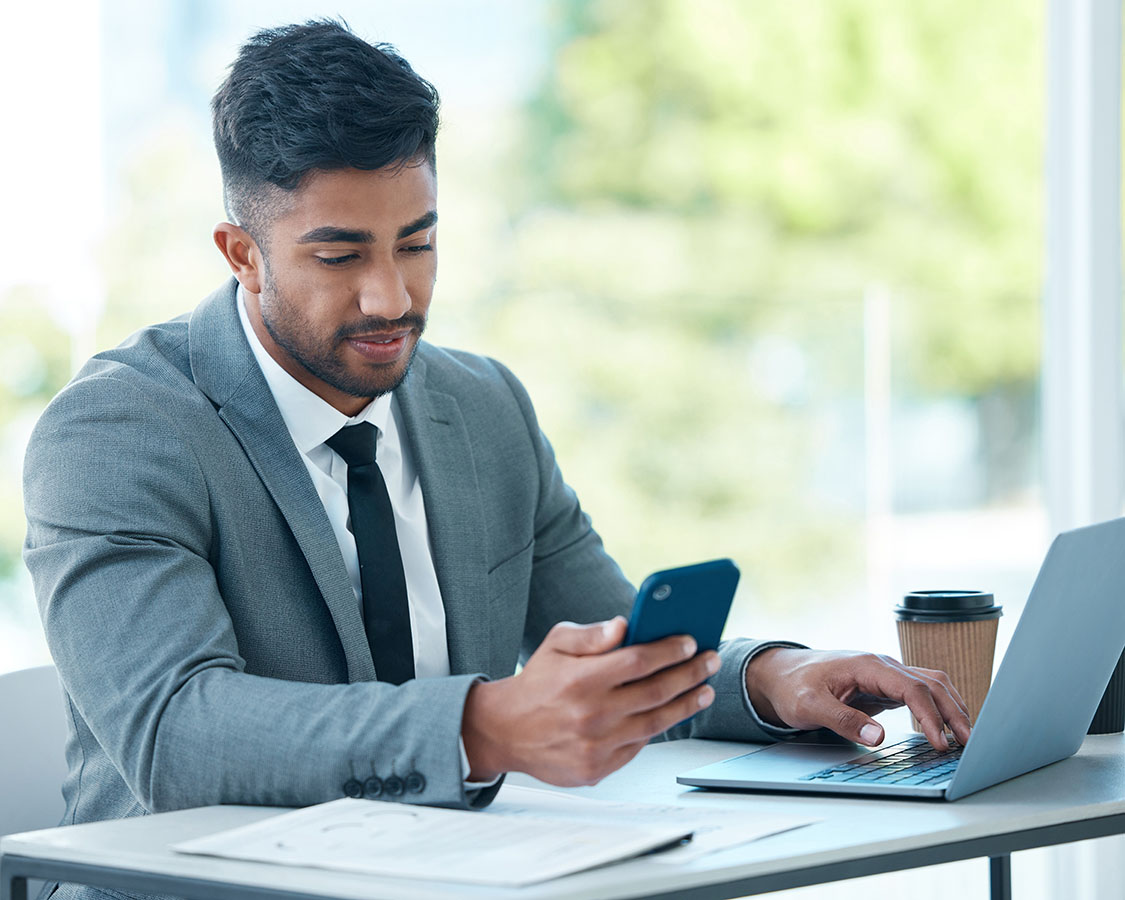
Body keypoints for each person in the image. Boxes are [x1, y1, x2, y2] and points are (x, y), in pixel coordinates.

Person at [23, 19, 970, 892]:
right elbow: (173, 737)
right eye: (340, 256)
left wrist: (770, 678)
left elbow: (616, 647)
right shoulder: (117, 432)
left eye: (418, 242)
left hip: (451, 876)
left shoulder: (481, 408)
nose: (391, 298)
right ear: (242, 253)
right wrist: (488, 726)